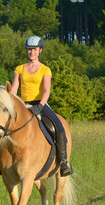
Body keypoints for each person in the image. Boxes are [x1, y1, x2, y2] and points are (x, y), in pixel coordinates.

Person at [10, 36, 73, 177]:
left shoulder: (45, 69)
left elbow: (46, 91)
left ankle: (63, 162)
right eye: (29, 49)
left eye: (34, 49)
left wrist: (40, 106)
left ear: (40, 50)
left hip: (40, 104)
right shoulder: (19, 69)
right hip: (22, 105)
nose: (31, 52)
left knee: (58, 126)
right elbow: (14, 89)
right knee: (5, 126)